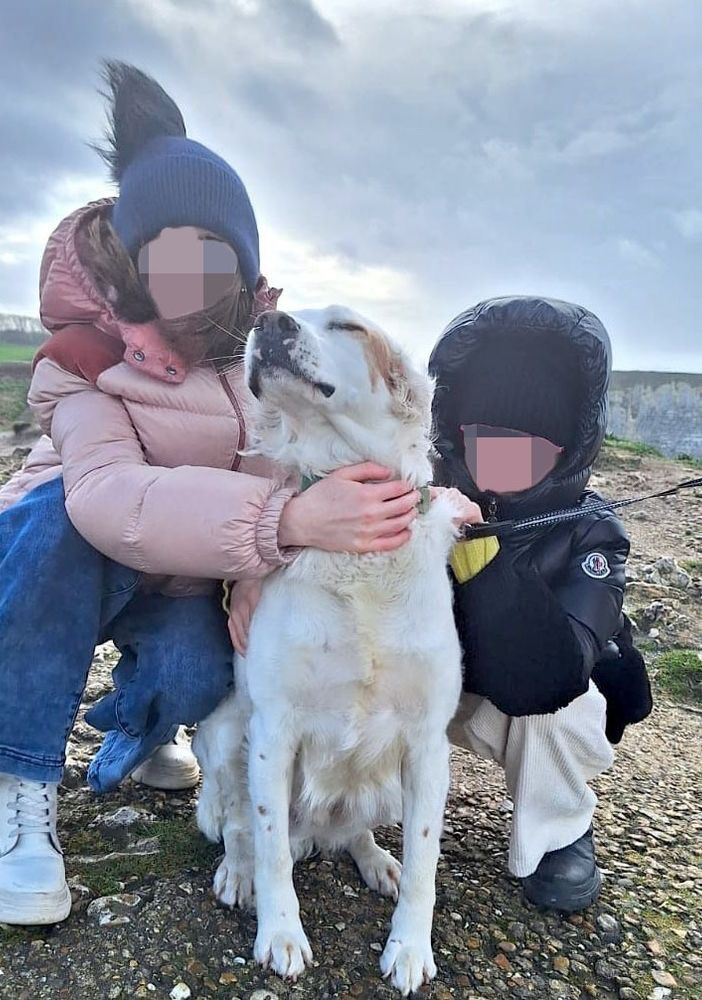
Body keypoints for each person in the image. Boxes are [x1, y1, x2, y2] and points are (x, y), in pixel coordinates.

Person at [0, 62, 426, 926]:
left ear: (241, 260)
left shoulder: (257, 355)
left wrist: (265, 566)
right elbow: (109, 497)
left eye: (211, 253)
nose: (189, 274)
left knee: (204, 672)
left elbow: (277, 463)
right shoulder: (80, 358)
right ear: (132, 260)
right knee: (53, 527)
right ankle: (23, 784)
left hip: (186, 572)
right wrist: (285, 523)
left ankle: (147, 724)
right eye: (165, 253)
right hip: (66, 559)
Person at [429, 295, 653, 912]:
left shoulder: (593, 530)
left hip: (537, 693)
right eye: (486, 438)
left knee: (557, 712)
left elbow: (549, 677)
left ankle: (558, 829)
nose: (504, 458)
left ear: (567, 448)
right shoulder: (420, 494)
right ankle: (343, 801)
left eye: (532, 445)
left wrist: (477, 552)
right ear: (457, 432)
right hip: (439, 684)